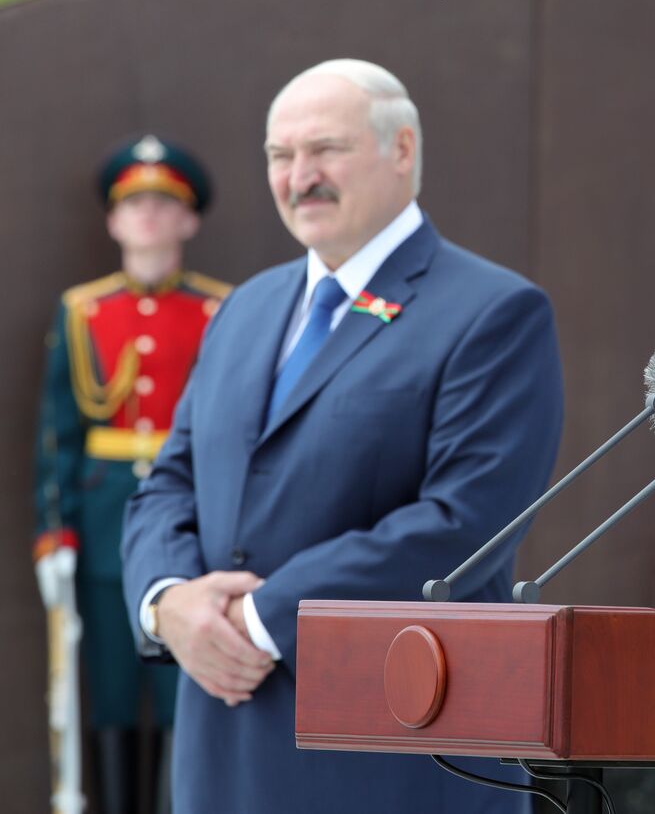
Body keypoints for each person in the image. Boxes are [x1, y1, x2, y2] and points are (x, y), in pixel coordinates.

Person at [121, 59, 564, 813]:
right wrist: (168, 603)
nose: (301, 176)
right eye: (279, 156)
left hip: (395, 759)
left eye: (325, 149)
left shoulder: (494, 313)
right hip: (223, 753)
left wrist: (259, 619)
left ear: (403, 150)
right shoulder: (245, 309)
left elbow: (463, 522)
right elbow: (170, 480)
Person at [34, 135, 229, 814]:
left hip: (193, 523)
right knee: (112, 692)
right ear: (113, 221)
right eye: (134, 204)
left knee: (186, 691)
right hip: (102, 516)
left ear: (188, 219)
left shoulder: (218, 310)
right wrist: (53, 532)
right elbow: (58, 432)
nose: (147, 216)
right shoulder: (84, 310)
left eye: (162, 203)